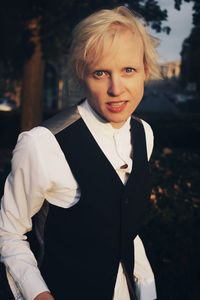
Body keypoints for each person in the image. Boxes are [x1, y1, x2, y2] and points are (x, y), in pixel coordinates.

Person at [0, 6, 160, 300]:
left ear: (145, 72)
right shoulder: (42, 144)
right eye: (101, 72)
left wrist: (146, 290)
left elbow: (126, 230)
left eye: (128, 70)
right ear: (82, 74)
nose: (116, 88)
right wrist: (38, 294)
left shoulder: (144, 134)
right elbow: (8, 233)